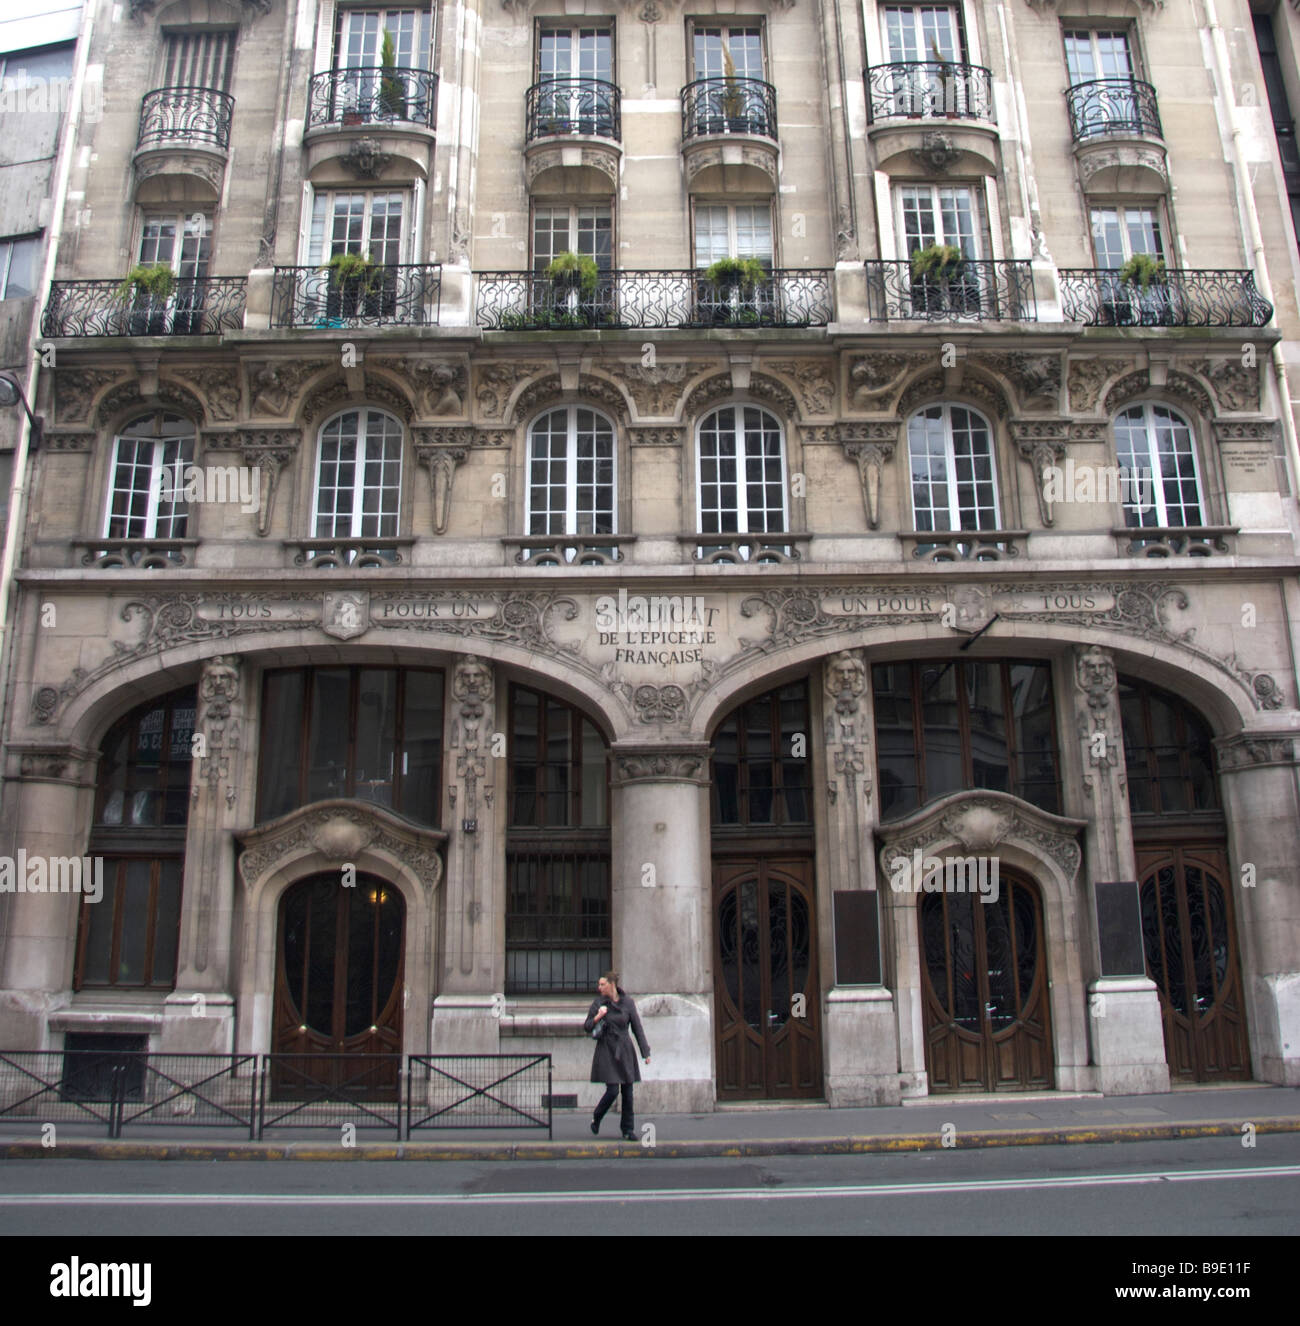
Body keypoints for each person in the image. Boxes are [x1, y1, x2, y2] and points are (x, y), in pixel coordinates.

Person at [584, 971, 650, 1140]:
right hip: (607, 1048)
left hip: (624, 1048)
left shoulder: (628, 1003)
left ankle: (628, 1129)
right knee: (612, 1090)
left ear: (612, 985)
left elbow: (637, 1028)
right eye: (599, 984)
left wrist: (645, 1052)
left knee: (628, 1091)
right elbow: (587, 1026)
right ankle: (597, 1117)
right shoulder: (598, 1003)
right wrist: (599, 1016)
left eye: (602, 984)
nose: (599, 988)